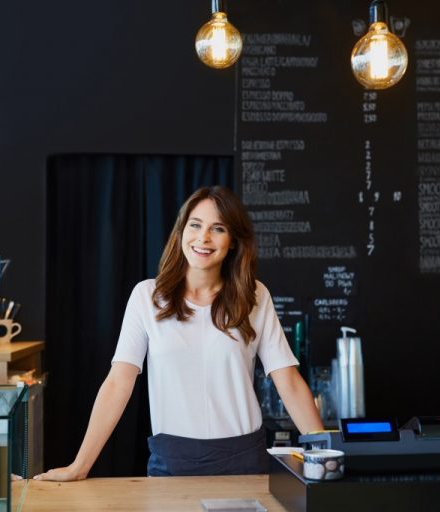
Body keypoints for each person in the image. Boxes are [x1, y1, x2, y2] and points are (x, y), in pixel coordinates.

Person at [34, 186, 323, 480]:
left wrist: (323, 456)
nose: (203, 238)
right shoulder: (146, 296)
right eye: (195, 225)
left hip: (244, 460)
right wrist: (79, 466)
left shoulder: (255, 296)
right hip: (172, 462)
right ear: (181, 231)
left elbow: (288, 381)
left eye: (218, 229)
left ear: (233, 241)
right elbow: (118, 383)